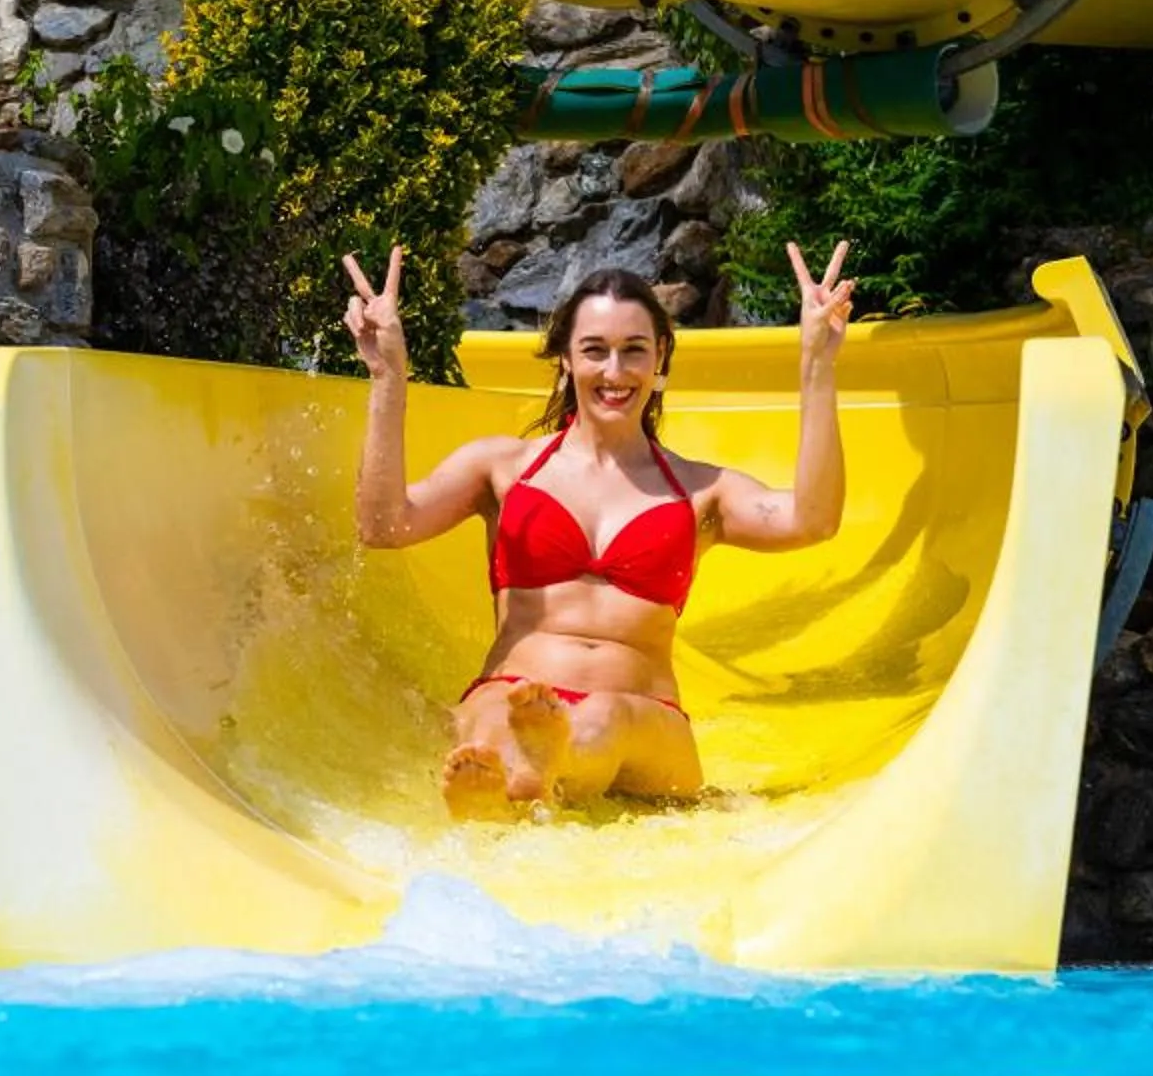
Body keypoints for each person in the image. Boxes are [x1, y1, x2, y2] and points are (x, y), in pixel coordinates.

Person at [343, 241, 855, 818]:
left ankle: (538, 770)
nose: (615, 372)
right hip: (516, 696)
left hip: (643, 722)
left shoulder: (699, 491)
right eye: (595, 351)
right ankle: (522, 776)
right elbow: (383, 526)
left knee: (603, 717)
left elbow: (812, 520)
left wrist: (818, 363)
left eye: (634, 351)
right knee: (494, 712)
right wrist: (388, 375)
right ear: (565, 358)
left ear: (660, 356)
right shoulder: (502, 468)